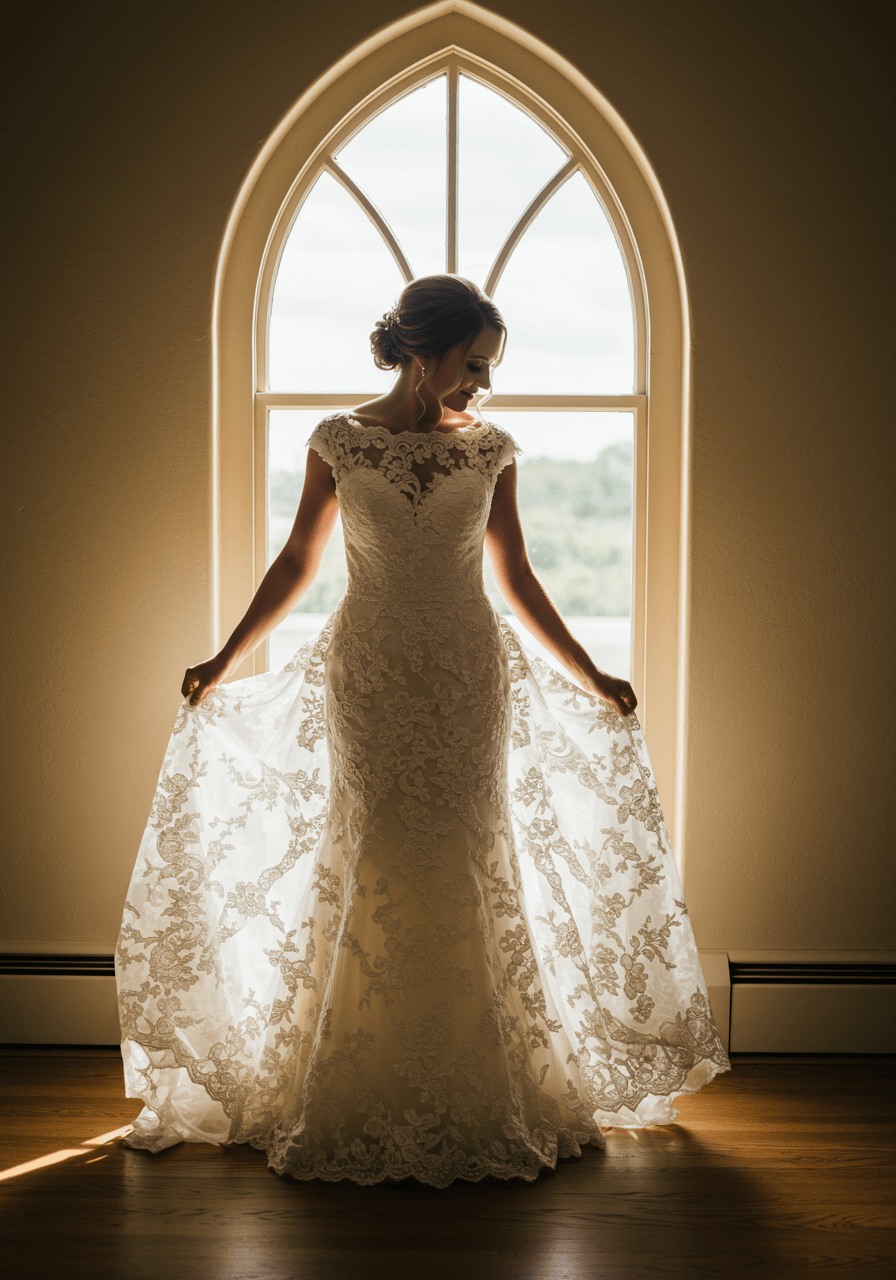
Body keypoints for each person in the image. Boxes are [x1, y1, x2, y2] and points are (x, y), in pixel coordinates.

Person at [116, 275, 729, 1187]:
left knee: (464, 852)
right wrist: (224, 656)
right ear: (422, 349)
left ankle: (478, 1078)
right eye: (473, 363)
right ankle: (352, 1074)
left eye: (488, 367)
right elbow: (298, 559)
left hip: (465, 674)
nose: (483, 383)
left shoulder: (491, 450)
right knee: (373, 848)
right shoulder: (337, 441)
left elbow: (515, 574)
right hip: (368, 671)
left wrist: (590, 674)